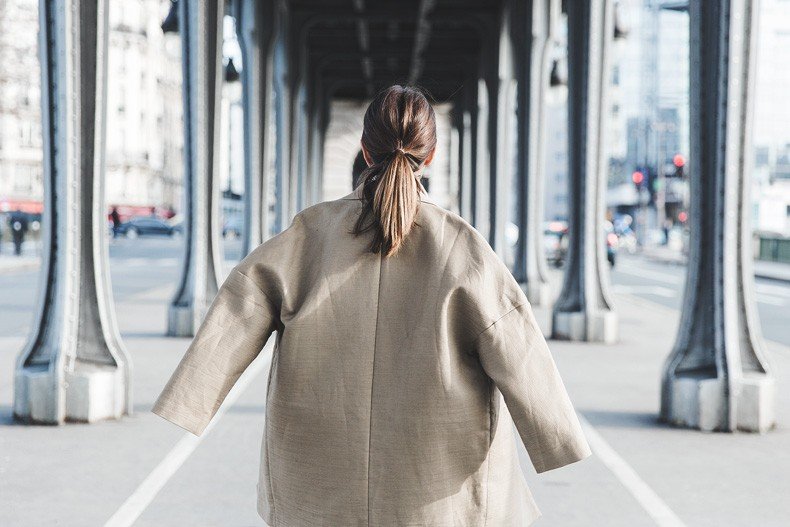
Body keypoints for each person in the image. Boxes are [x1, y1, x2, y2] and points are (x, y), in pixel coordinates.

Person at [152, 85, 591, 526]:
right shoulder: (463, 247)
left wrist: (191, 398)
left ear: (364, 150)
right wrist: (554, 434)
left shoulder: (307, 235)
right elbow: (513, 337)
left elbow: (241, 303)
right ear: (431, 155)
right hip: (435, 485)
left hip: (318, 479)